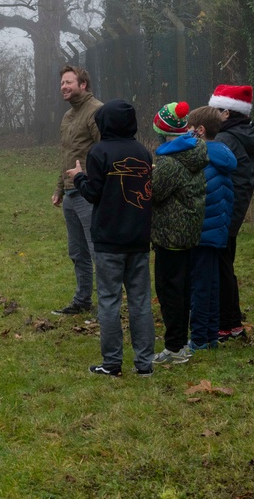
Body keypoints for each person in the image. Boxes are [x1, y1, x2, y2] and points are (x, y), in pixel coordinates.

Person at [68, 100, 153, 378]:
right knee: (140, 301)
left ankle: (113, 363)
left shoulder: (99, 151)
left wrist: (79, 177)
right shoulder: (143, 153)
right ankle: (144, 364)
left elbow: (93, 194)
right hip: (139, 239)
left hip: (108, 239)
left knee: (108, 300)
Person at [150, 104, 208, 366]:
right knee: (182, 289)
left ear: (164, 132)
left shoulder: (170, 162)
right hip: (187, 232)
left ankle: (174, 348)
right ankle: (181, 344)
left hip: (170, 236)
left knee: (169, 290)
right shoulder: (194, 151)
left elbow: (153, 194)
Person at [208, 85, 254, 342]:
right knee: (225, 264)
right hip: (233, 209)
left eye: (215, 110)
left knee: (221, 267)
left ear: (227, 113)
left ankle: (226, 323)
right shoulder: (244, 133)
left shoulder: (225, 139)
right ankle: (232, 322)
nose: (212, 115)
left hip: (223, 211)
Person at [51, 66, 103, 316]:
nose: (63, 86)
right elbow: (66, 154)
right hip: (71, 193)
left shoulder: (96, 111)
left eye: (68, 82)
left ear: (83, 84)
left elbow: (105, 151)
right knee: (77, 251)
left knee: (97, 250)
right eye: (62, 82)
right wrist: (59, 188)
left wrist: (95, 184)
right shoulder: (68, 116)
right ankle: (82, 300)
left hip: (89, 193)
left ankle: (107, 302)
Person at [184, 106, 236, 351]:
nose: (187, 132)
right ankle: (212, 335)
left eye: (190, 128)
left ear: (201, 130)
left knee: (200, 287)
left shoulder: (203, 159)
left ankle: (199, 339)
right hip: (218, 231)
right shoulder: (223, 155)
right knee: (212, 285)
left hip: (202, 232)